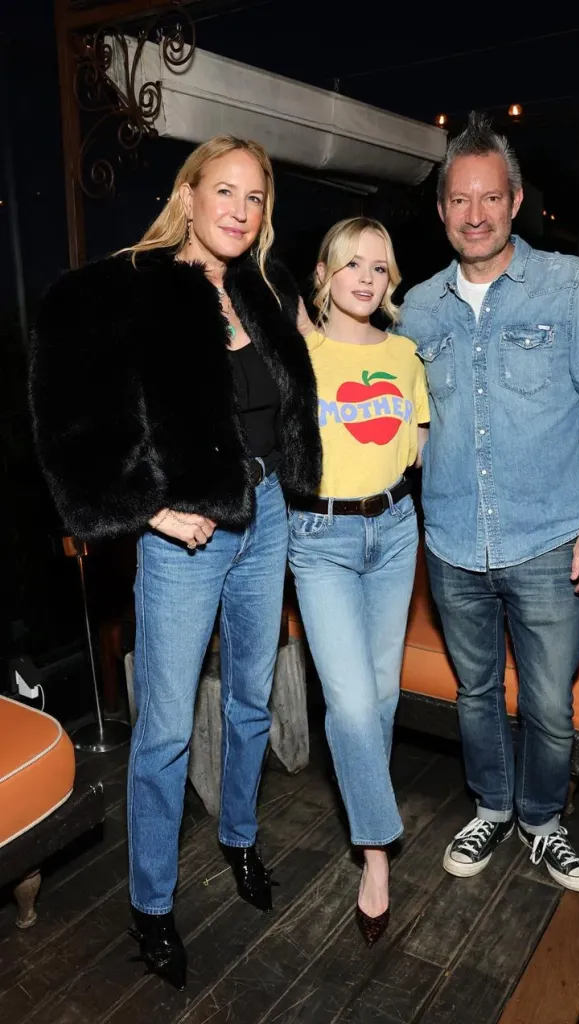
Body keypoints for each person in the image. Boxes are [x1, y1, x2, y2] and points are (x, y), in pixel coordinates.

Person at [30, 135, 322, 990]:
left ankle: (238, 837)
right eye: (223, 191)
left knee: (249, 701)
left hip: (264, 516)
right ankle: (151, 905)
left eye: (255, 197)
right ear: (187, 195)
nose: (238, 209)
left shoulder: (262, 292)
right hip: (185, 539)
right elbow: (69, 422)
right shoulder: (131, 287)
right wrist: (152, 510)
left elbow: (292, 400)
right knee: (160, 732)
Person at [396, 112, 579, 893]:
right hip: (453, 546)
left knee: (545, 701)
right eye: (458, 201)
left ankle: (541, 822)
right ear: (441, 210)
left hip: (547, 541)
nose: (474, 214)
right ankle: (491, 808)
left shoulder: (573, 285)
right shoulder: (416, 307)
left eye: (488, 198)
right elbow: (393, 418)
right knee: (474, 694)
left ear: (514, 201)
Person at [290, 217, 429, 947]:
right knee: (347, 702)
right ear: (324, 274)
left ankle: (369, 840)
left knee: (381, 695)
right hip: (319, 538)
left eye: (380, 267)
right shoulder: (299, 355)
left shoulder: (406, 355)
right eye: (353, 265)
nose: (367, 279)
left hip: (395, 530)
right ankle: (377, 853)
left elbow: (418, 448)